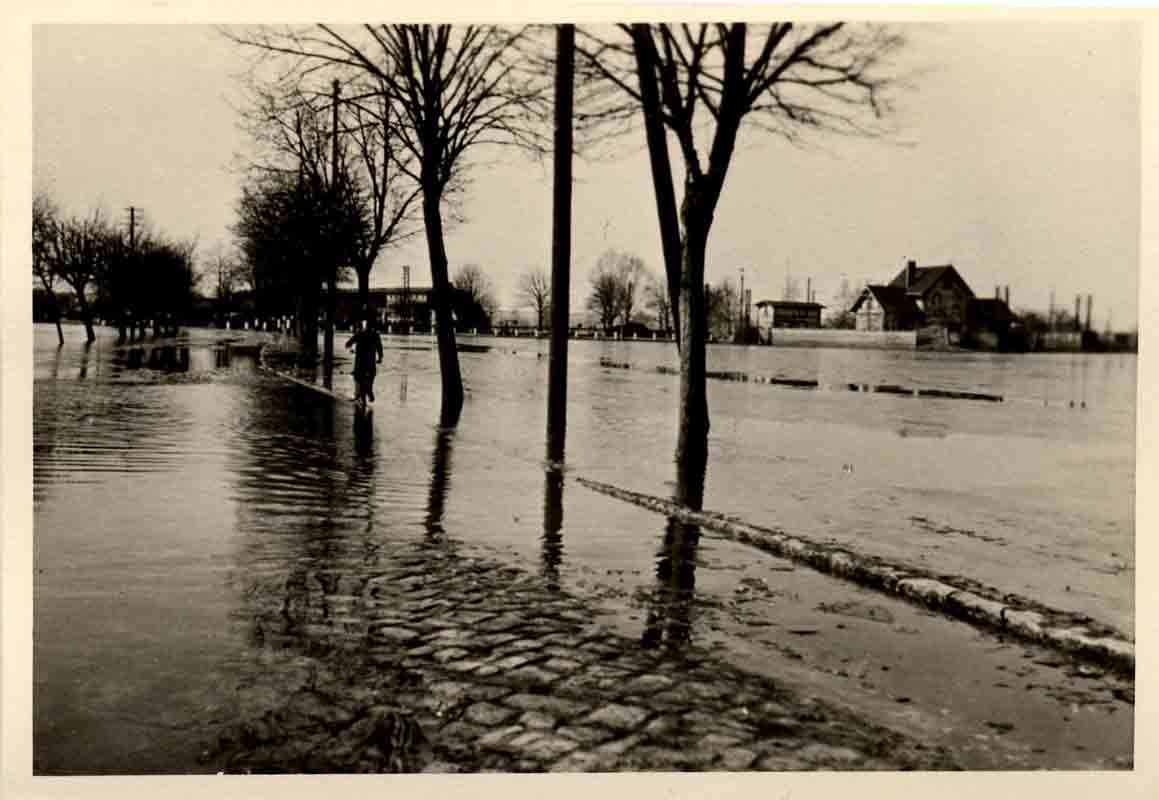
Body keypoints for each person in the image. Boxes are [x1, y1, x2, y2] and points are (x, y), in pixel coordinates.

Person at [346, 316, 384, 405]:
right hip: (370, 361)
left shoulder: (359, 333)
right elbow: (379, 347)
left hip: (360, 361)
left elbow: (348, 343)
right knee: (371, 376)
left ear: (365, 326)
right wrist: (380, 357)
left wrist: (351, 348)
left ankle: (362, 396)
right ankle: (369, 391)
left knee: (359, 378)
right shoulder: (375, 335)